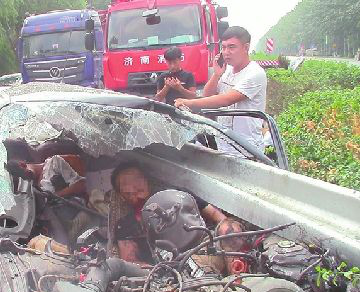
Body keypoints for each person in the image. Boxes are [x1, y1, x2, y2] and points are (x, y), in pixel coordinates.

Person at [174, 26, 267, 156]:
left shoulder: (255, 74)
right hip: (225, 142)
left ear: (246, 48)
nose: (226, 52)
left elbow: (226, 100)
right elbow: (208, 94)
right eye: (223, 47)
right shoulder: (226, 70)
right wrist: (216, 75)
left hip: (247, 146)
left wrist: (189, 103)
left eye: (232, 47)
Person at [109, 162, 226, 265]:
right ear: (121, 195)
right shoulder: (124, 226)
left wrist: (227, 230)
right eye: (126, 185)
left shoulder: (178, 197)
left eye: (136, 180)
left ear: (146, 180)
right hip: (168, 274)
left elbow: (217, 216)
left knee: (229, 228)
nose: (133, 187)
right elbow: (130, 262)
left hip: (204, 249)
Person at [6, 155, 101, 247]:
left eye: (27, 175)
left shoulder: (54, 163)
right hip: (51, 225)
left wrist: (56, 195)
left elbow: (81, 185)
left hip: (71, 213)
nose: (28, 181)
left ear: (23, 165)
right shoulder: (28, 189)